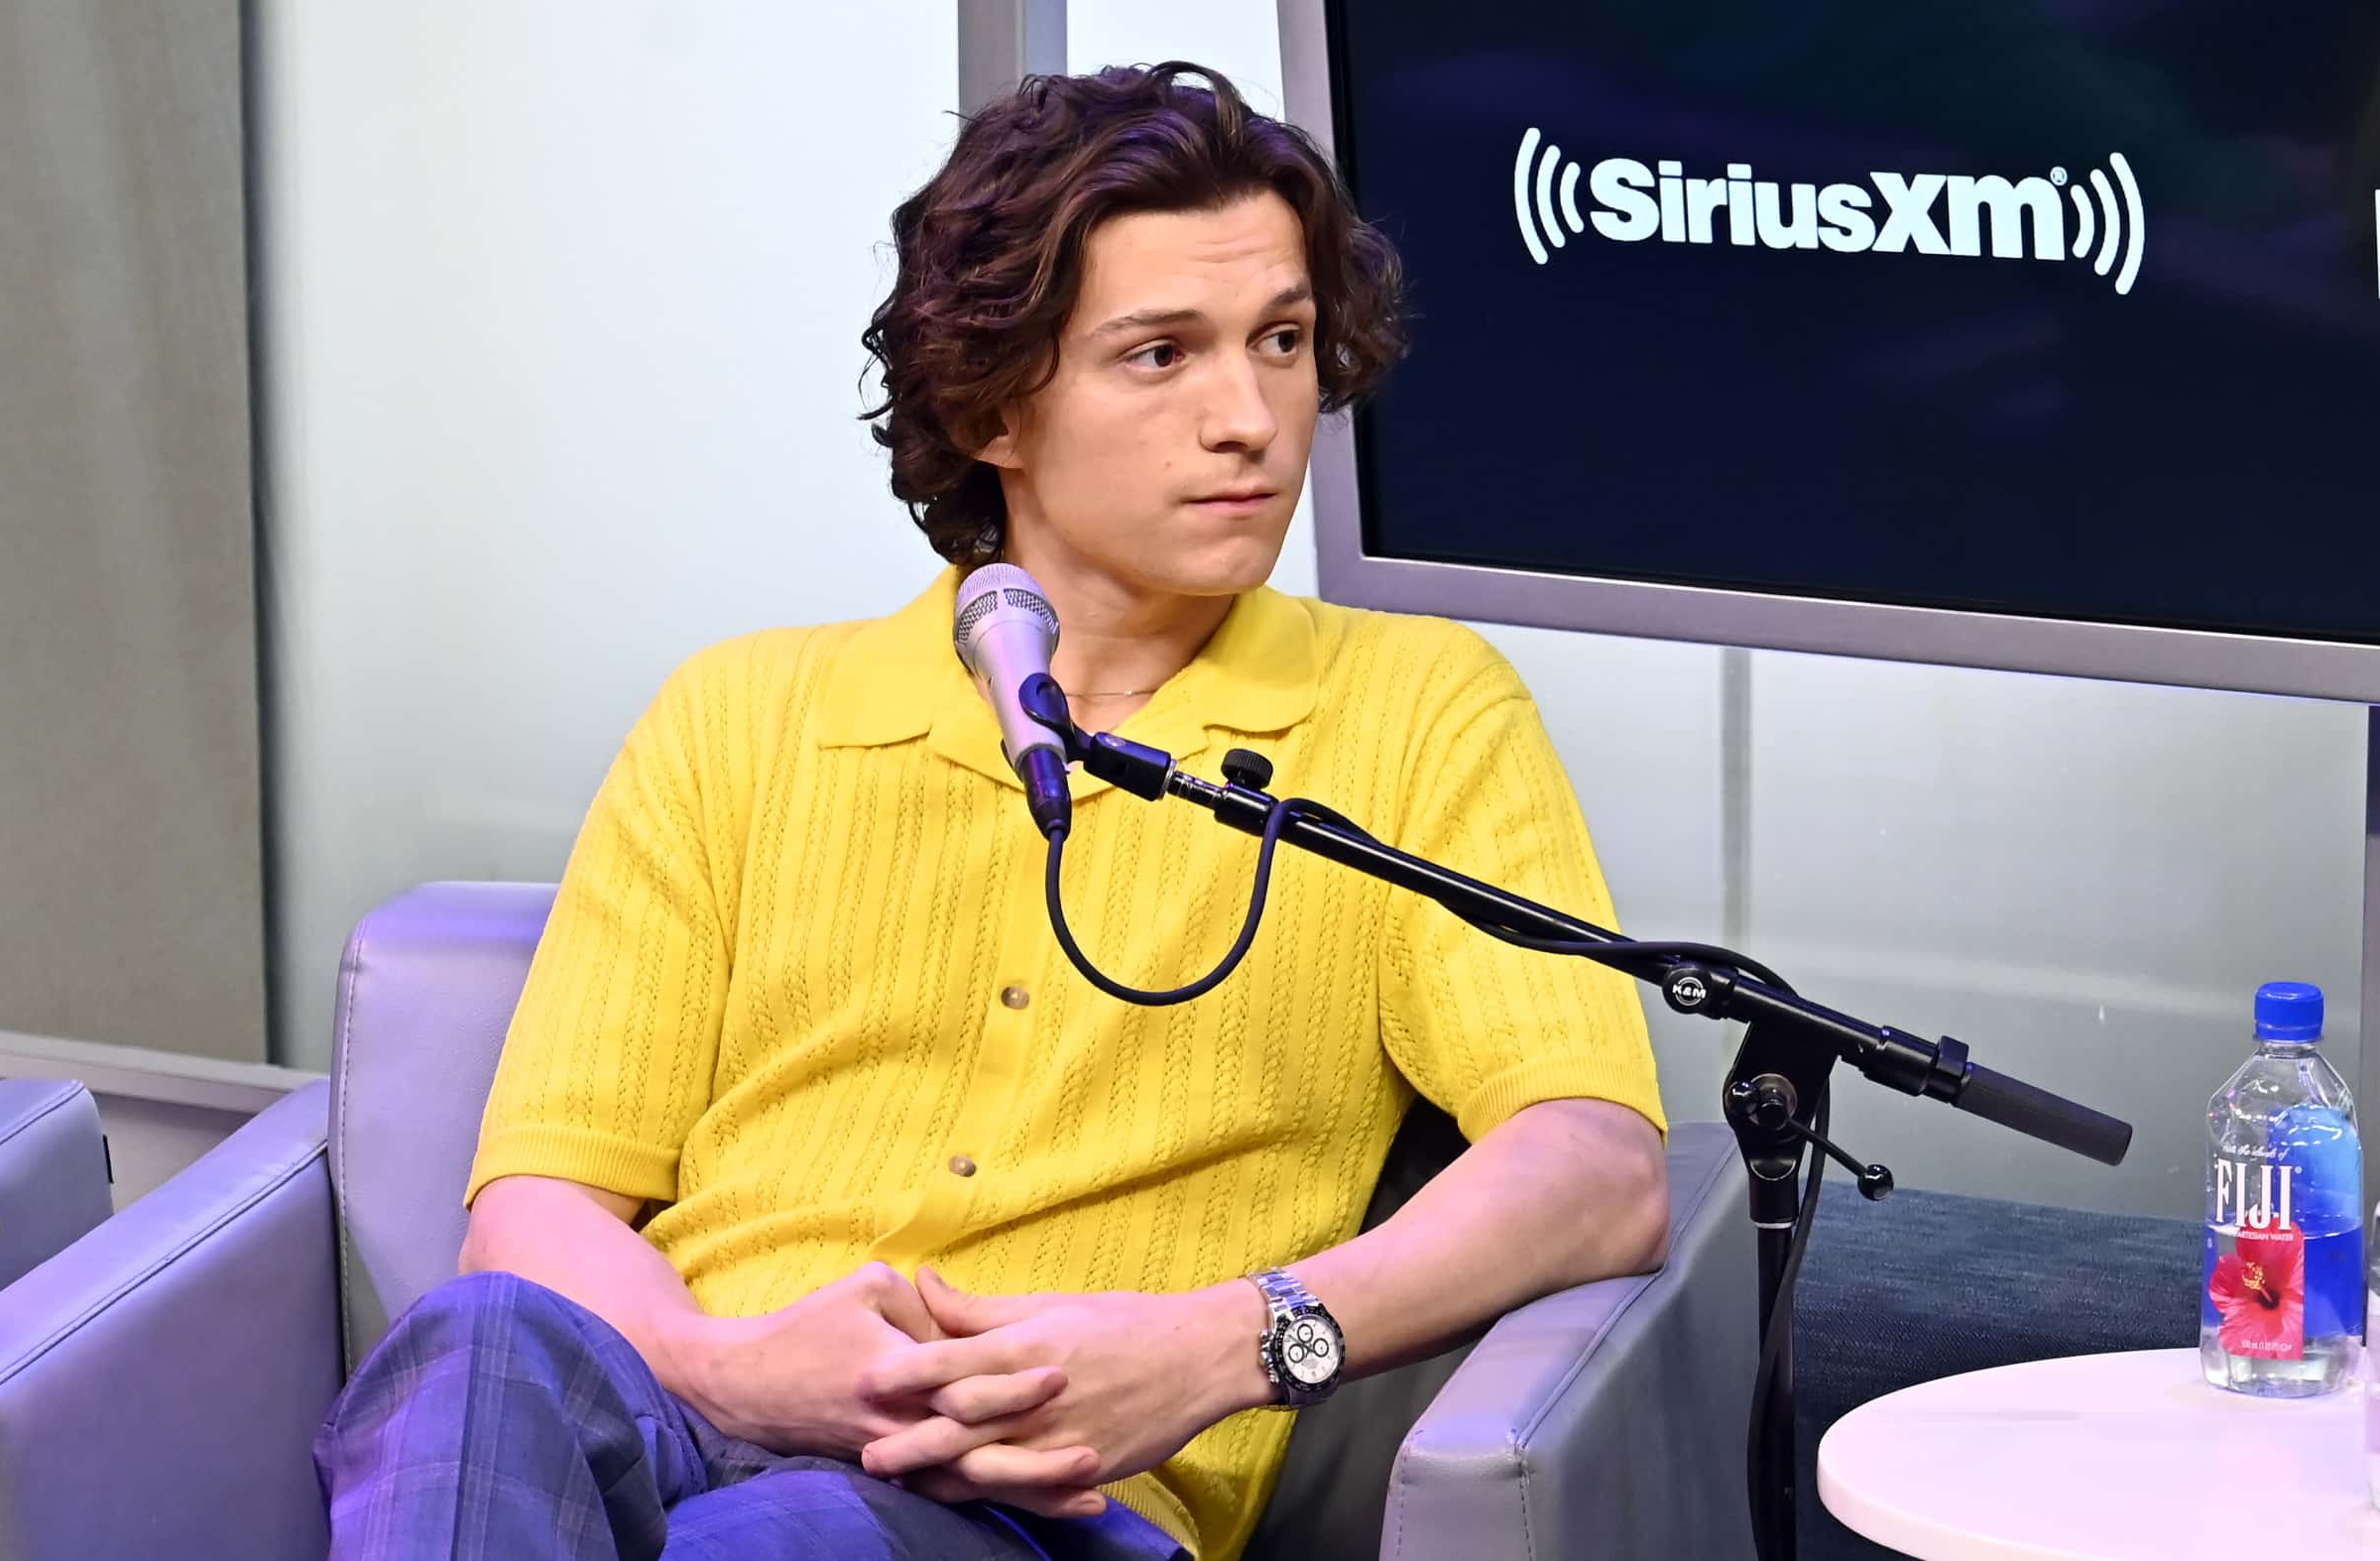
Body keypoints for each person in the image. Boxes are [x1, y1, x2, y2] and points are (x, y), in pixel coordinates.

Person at [313, 60, 1669, 1561]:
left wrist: (1227, 1343)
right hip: (685, 1396)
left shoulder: (1413, 707)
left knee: (789, 1537)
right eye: (1161, 355)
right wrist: (732, 1365)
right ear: (992, 404)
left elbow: (1592, 1167)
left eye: (1281, 341)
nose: (1251, 420)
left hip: (1045, 1495)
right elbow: (537, 1211)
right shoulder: (743, 712)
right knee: (476, 1347)